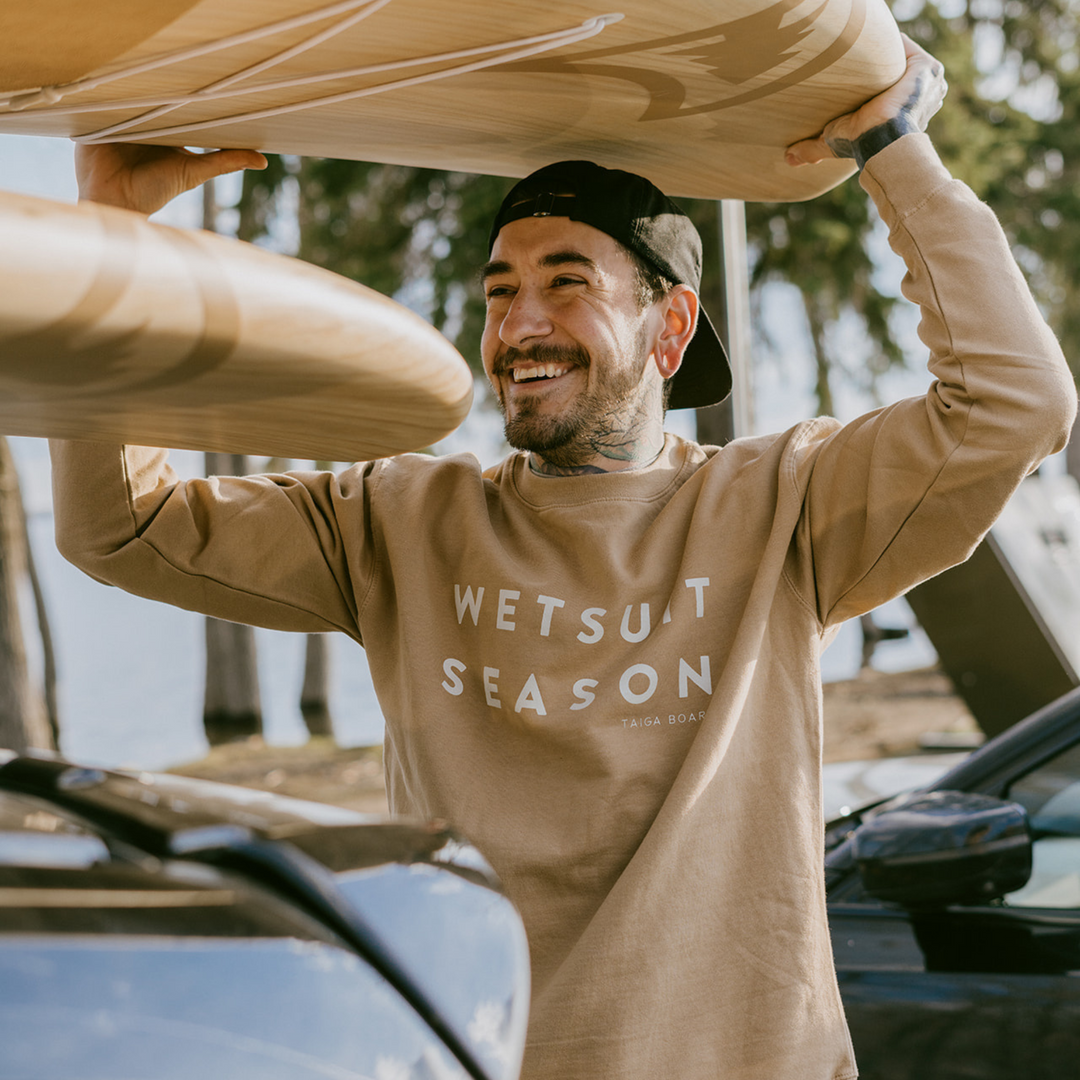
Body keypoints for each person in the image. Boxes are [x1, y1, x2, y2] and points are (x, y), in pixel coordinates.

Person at [50, 36, 1075, 1080]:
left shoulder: (785, 507)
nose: (519, 324)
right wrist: (114, 229)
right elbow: (120, 526)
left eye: (566, 282)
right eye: (499, 291)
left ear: (669, 329)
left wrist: (892, 148)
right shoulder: (399, 520)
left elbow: (1016, 403)